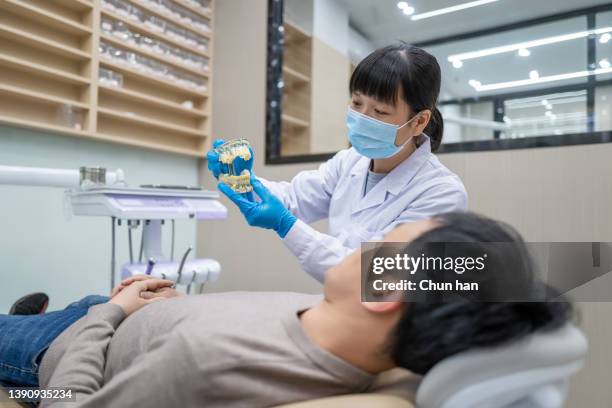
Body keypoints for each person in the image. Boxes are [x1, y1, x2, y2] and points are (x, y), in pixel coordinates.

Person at [0, 213, 570, 408]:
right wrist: (166, 308)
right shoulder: (341, 325)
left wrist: (114, 315)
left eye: (387, 238)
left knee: (32, 333)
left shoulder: (210, 361)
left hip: (63, 356)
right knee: (71, 303)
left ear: (385, 290)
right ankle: (40, 312)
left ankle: (25, 337)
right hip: (129, 313)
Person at [208, 43, 468, 282]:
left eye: (380, 111)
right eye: (356, 103)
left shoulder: (442, 193)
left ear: (419, 121)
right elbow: (292, 198)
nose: (362, 117)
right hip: (342, 310)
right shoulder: (350, 161)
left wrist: (285, 225)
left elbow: (373, 273)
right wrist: (243, 180)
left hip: (399, 324)